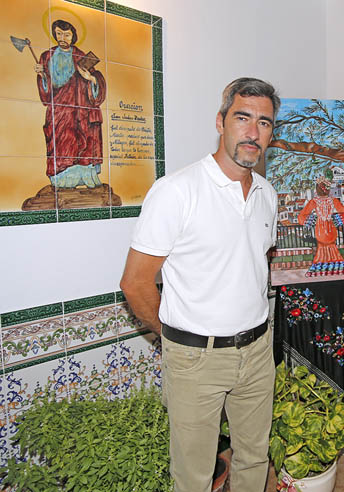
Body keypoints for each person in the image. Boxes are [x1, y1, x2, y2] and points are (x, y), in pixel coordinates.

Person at [119, 77, 280, 492]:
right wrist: (175, 338)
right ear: (221, 121)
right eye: (242, 118)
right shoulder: (176, 191)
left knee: (254, 458)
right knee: (192, 476)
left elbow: (251, 264)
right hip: (196, 358)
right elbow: (135, 283)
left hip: (258, 351)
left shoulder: (268, 194)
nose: (252, 131)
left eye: (264, 123)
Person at [35, 19, 107, 188]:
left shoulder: (81, 56)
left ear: (73, 36)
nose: (62, 38)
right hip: (58, 110)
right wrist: (42, 76)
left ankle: (83, 178)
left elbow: (96, 81)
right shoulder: (47, 56)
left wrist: (91, 79)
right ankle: (61, 182)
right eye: (59, 34)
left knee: (81, 145)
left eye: (67, 35)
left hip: (78, 112)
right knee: (59, 144)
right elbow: (46, 93)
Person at [297, 175, 344, 276]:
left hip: (326, 227)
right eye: (322, 187)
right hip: (324, 228)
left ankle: (322, 269)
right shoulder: (319, 201)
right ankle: (335, 269)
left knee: (327, 247)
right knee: (325, 247)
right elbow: (301, 217)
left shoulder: (323, 201)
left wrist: (314, 220)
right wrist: (313, 220)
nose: (323, 190)